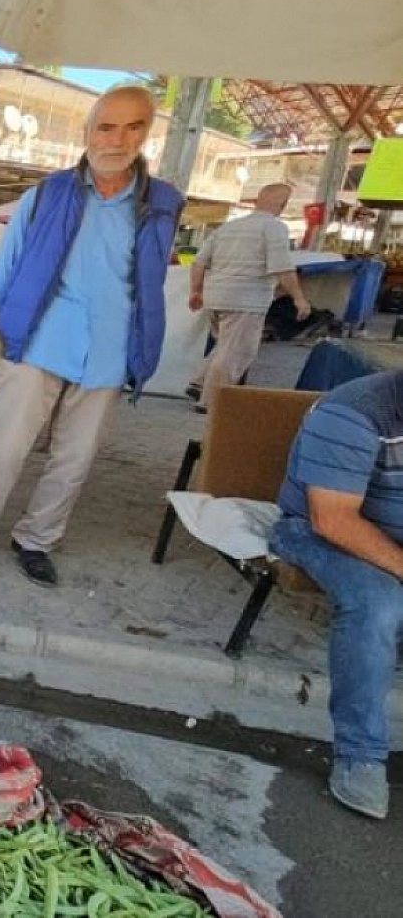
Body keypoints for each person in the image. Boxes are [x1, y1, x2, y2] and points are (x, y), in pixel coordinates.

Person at [0, 85, 185, 588]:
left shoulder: (162, 203)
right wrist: (15, 325)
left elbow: (149, 276)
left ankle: (36, 540)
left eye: (132, 126)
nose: (117, 138)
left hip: (109, 347)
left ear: (147, 133)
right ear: (88, 133)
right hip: (39, 339)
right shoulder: (47, 194)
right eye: (107, 126)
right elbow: (6, 267)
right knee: (7, 447)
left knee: (75, 458)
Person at [270, 369, 403, 820]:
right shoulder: (356, 411)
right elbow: (332, 519)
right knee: (378, 606)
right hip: (313, 530)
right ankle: (361, 754)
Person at [187, 183, 308, 412]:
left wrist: (196, 291)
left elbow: (199, 261)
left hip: (216, 297)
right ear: (282, 206)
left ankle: (199, 382)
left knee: (225, 345)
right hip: (246, 299)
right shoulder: (274, 228)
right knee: (237, 351)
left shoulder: (228, 227)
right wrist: (299, 298)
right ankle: (211, 402)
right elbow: (282, 266)